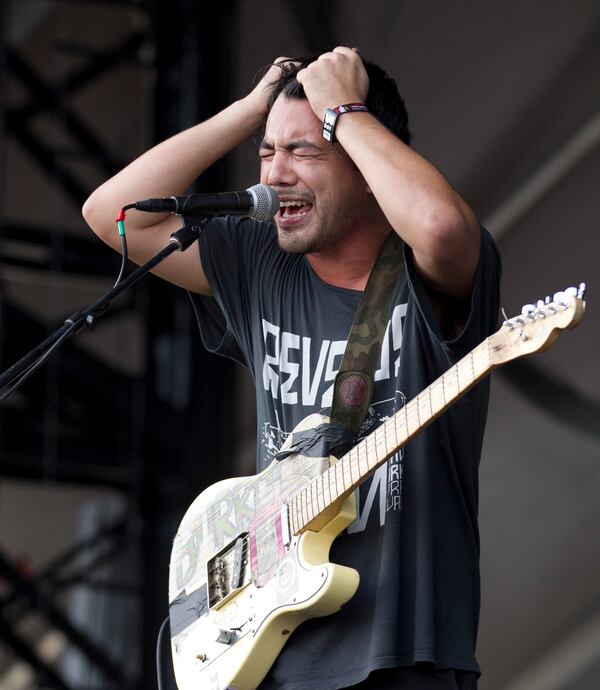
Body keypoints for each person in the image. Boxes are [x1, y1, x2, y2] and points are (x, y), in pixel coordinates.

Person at [83, 47, 500, 690]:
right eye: (266, 152)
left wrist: (346, 110)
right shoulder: (261, 263)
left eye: (303, 152)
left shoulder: (424, 272)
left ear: (366, 164)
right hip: (266, 654)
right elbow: (112, 214)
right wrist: (253, 110)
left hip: (403, 654)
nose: (274, 174)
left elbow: (443, 227)